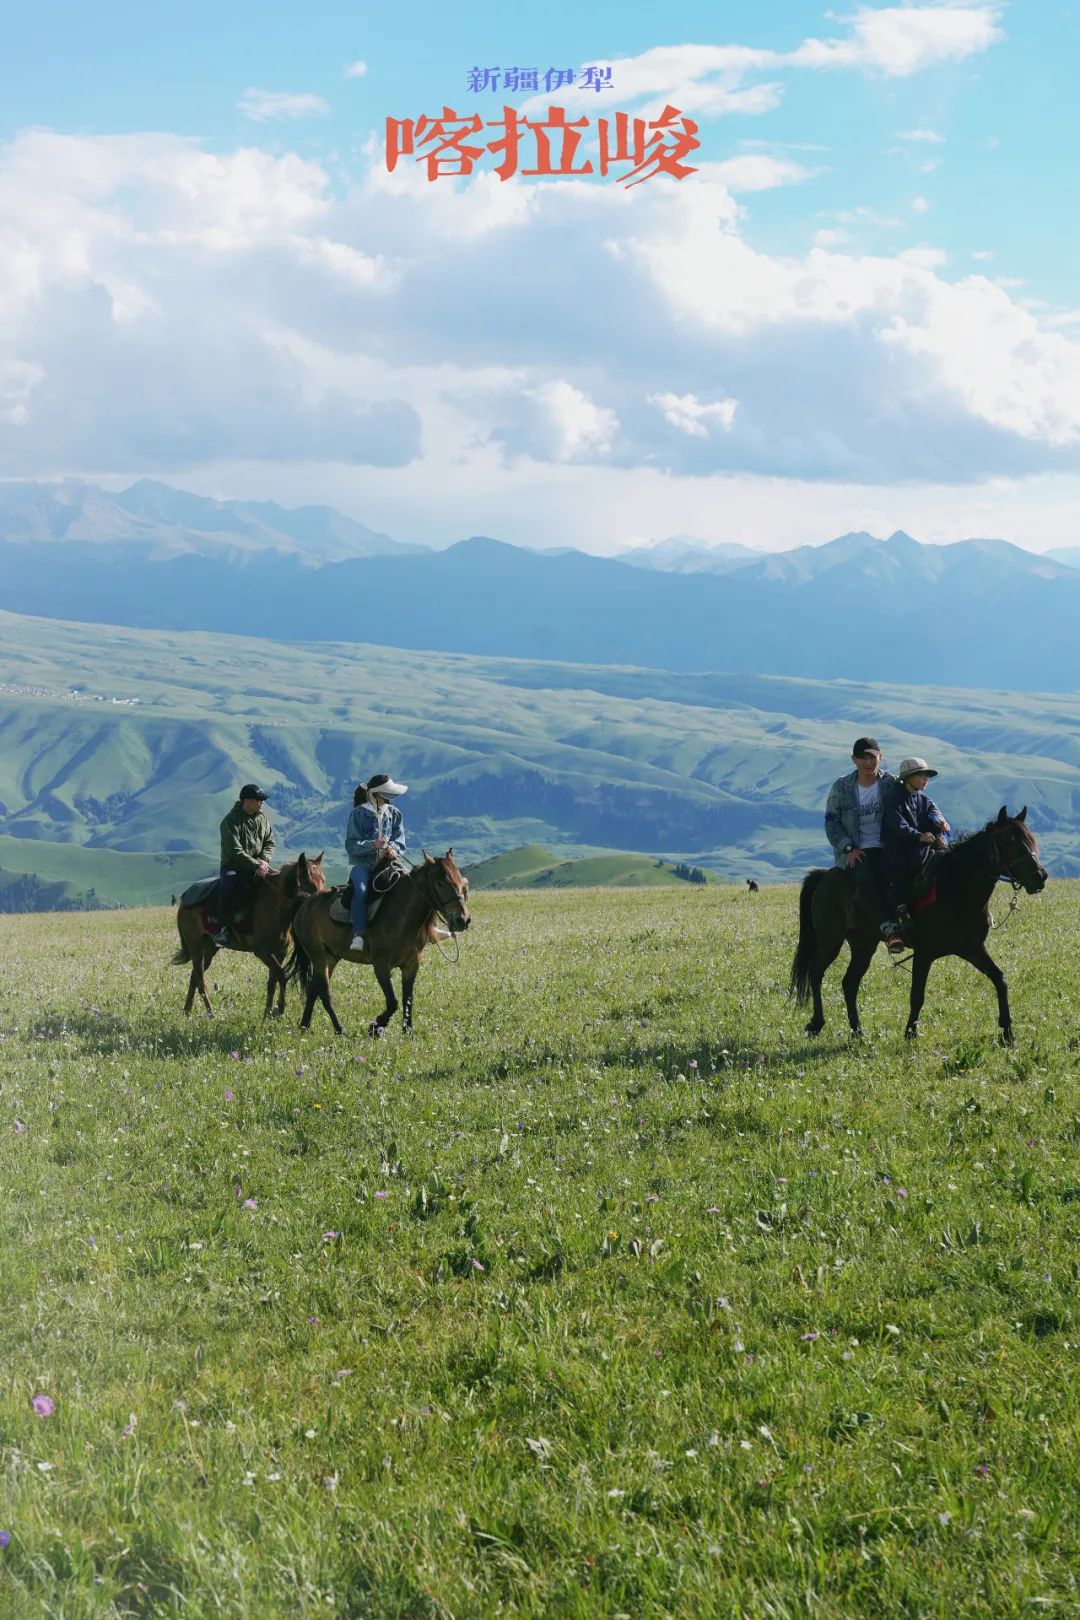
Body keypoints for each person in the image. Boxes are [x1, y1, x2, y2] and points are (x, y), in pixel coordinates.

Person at [824, 735, 904, 954]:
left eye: (872, 757)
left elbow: (917, 801)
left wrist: (937, 819)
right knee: (866, 880)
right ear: (854, 760)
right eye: (862, 757)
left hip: (887, 847)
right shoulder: (842, 787)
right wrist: (848, 848)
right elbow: (831, 822)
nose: (868, 762)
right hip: (856, 849)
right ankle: (889, 930)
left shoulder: (892, 784)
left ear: (880, 757)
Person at [344, 773, 408, 952]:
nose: (390, 798)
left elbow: (399, 838)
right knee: (361, 890)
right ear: (375, 794)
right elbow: (351, 845)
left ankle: (430, 928)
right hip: (361, 865)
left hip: (387, 863)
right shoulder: (358, 813)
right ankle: (358, 934)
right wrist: (373, 845)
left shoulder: (394, 813)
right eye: (386, 794)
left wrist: (394, 848)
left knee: (412, 884)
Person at [882, 757, 950, 924]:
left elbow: (934, 812)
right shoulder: (894, 797)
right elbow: (897, 824)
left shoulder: (922, 798)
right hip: (900, 846)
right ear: (908, 777)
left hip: (922, 843)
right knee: (901, 869)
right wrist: (918, 836)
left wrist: (941, 823)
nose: (925, 779)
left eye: (926, 775)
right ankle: (901, 908)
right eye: (921, 775)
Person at [215, 784, 275, 947]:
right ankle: (224, 929)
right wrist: (256, 865)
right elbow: (236, 851)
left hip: (259, 866)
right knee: (228, 886)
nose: (262, 803)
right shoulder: (230, 822)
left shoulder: (262, 818)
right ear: (247, 801)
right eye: (258, 800)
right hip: (234, 867)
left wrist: (264, 860)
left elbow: (270, 841)